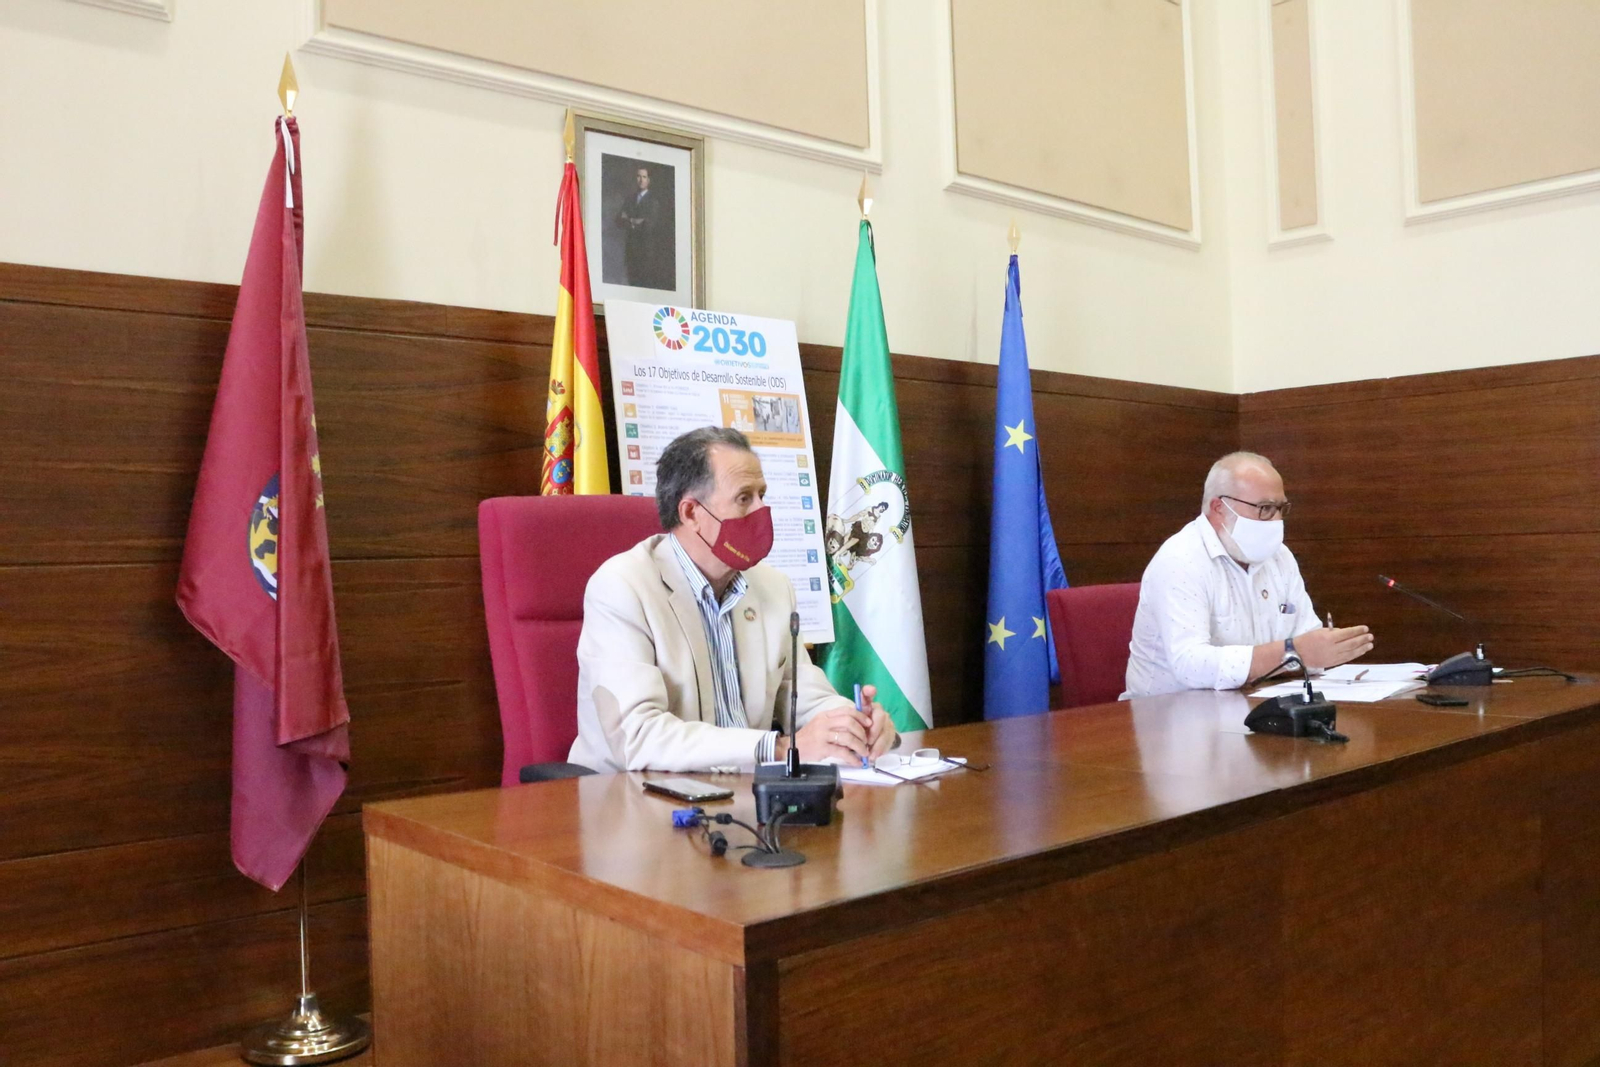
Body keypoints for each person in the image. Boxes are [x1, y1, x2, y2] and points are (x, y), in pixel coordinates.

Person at [569, 426, 897, 772]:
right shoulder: (623, 586)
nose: (762, 510)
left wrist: (852, 725)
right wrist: (779, 747)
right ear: (691, 513)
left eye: (762, 494)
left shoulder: (773, 587)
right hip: (632, 799)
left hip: (740, 796)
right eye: (744, 498)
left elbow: (801, 696)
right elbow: (637, 736)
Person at [1123, 451, 1375, 698]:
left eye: (1280, 508)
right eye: (1265, 508)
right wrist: (1291, 652)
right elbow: (1190, 665)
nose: (1276, 520)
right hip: (1166, 718)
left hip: (1252, 704)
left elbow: (1309, 643)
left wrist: (1321, 650)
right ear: (1218, 508)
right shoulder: (1180, 560)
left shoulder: (1279, 556)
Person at [614, 164, 670, 290]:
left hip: (646, 251)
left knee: (644, 284)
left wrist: (629, 220)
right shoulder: (630, 199)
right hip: (631, 250)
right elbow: (618, 220)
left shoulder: (653, 201)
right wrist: (635, 221)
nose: (641, 180)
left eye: (644, 177)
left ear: (648, 180)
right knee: (631, 282)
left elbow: (649, 225)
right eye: (638, 176)